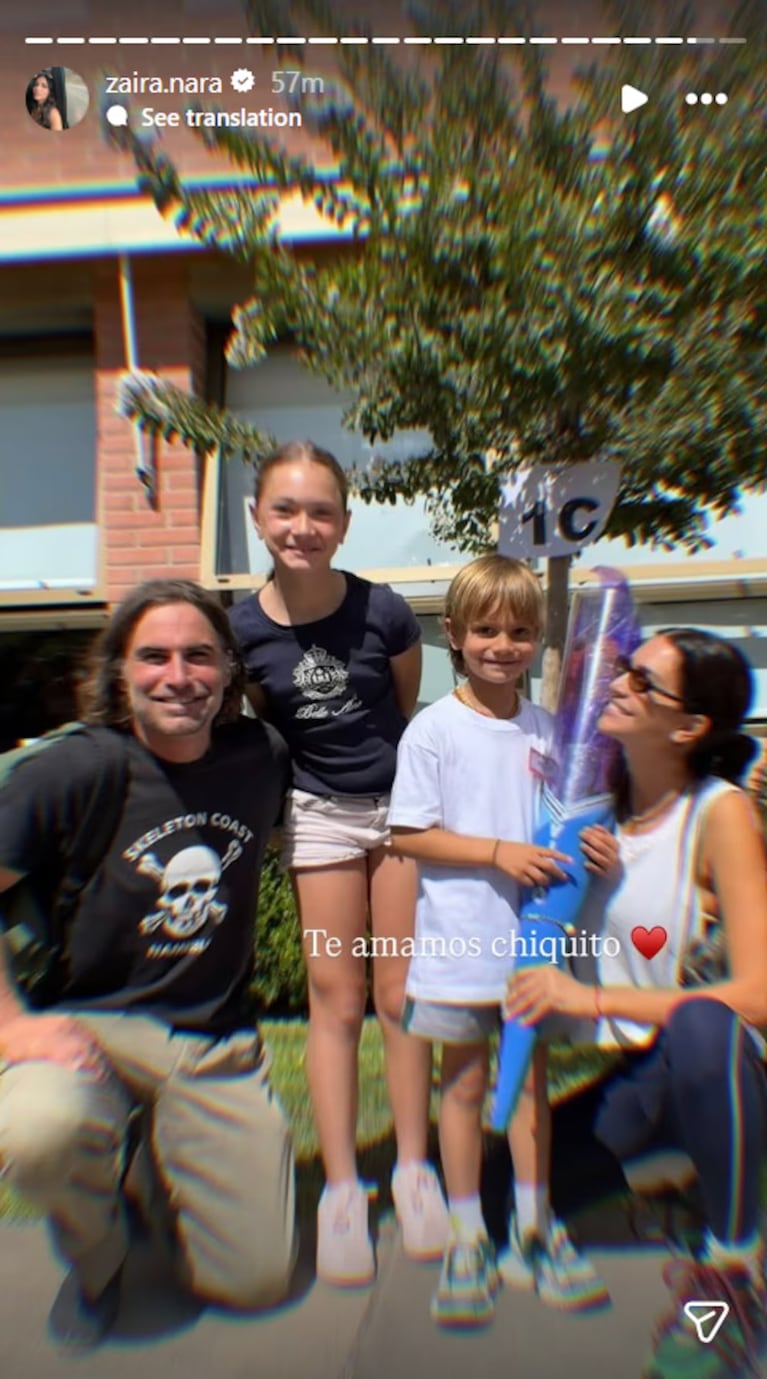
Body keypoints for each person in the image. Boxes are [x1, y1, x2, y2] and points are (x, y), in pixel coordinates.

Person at [0, 579, 296, 1351]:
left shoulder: (258, 757)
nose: (178, 674)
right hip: (87, 1029)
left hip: (210, 1040)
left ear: (228, 671)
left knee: (254, 1280)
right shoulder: (73, 771)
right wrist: (11, 1025)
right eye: (154, 655)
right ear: (121, 670)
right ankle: (96, 1262)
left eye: (199, 655)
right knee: (37, 1133)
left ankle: (150, 1167)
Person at [506, 628, 767, 1379]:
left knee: (702, 1018)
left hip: (713, 1067)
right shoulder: (590, 805)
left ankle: (728, 1280)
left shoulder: (718, 814)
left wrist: (581, 995)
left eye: (643, 682)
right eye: (623, 668)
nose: (618, 683)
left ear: (688, 727)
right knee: (509, 1197)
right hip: (636, 1077)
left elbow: (754, 995)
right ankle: (673, 1190)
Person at [229, 440, 448, 1286]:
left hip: (399, 811)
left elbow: (400, 705)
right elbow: (267, 724)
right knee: (335, 997)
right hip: (316, 813)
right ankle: (344, 1192)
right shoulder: (242, 629)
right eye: (284, 508)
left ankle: (415, 1170)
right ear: (257, 516)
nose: (302, 526)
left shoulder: (384, 609)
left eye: (320, 510)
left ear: (345, 521)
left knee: (397, 990)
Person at [388, 555, 608, 1327]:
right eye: (484, 628)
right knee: (465, 1086)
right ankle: (466, 1232)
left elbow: (573, 824)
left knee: (528, 1090)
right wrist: (495, 853)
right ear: (452, 634)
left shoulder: (552, 729)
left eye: (518, 630)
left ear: (535, 635)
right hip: (457, 948)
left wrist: (596, 848)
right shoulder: (432, 730)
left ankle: (534, 1225)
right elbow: (409, 834)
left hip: (534, 952)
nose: (502, 644)